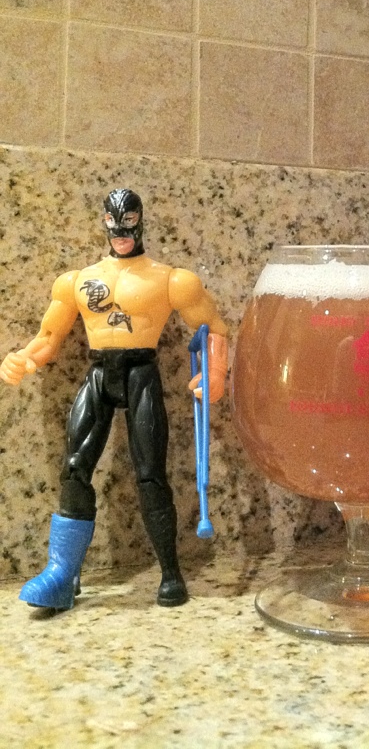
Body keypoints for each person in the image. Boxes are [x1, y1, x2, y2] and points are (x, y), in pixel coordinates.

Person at [0, 189, 228, 609]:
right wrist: (23, 358)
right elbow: (49, 335)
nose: (121, 231)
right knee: (74, 467)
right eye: (113, 222)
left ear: (141, 222)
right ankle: (63, 574)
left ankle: (170, 572)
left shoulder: (171, 280)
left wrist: (215, 371)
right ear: (103, 222)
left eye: (129, 222)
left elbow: (213, 326)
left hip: (142, 373)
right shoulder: (77, 280)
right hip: (99, 373)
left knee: (150, 473)